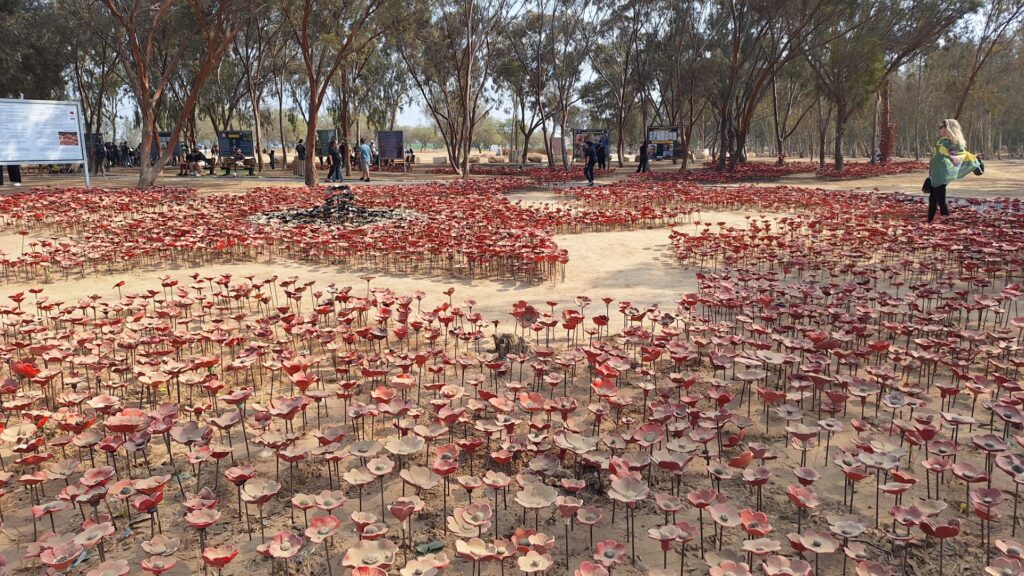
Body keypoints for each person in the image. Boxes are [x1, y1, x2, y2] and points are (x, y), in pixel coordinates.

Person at [924, 118, 982, 223]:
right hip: (937, 171)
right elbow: (952, 156)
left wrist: (972, 159)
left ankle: (945, 219)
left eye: (941, 127)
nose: (940, 129)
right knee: (933, 198)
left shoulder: (948, 142)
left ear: (948, 128)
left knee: (939, 198)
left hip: (941, 172)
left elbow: (956, 156)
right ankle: (930, 219)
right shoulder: (948, 142)